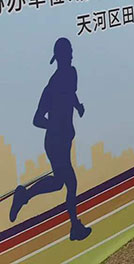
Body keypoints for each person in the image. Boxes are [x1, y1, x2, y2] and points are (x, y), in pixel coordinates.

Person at [9, 38, 91, 241]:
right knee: (70, 183)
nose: (71, 56)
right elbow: (37, 119)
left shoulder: (72, 74)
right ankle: (75, 227)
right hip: (55, 143)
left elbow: (71, 94)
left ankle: (25, 195)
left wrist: (78, 107)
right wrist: (55, 126)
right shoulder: (52, 86)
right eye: (67, 53)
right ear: (59, 57)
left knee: (59, 183)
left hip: (64, 140)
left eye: (71, 52)